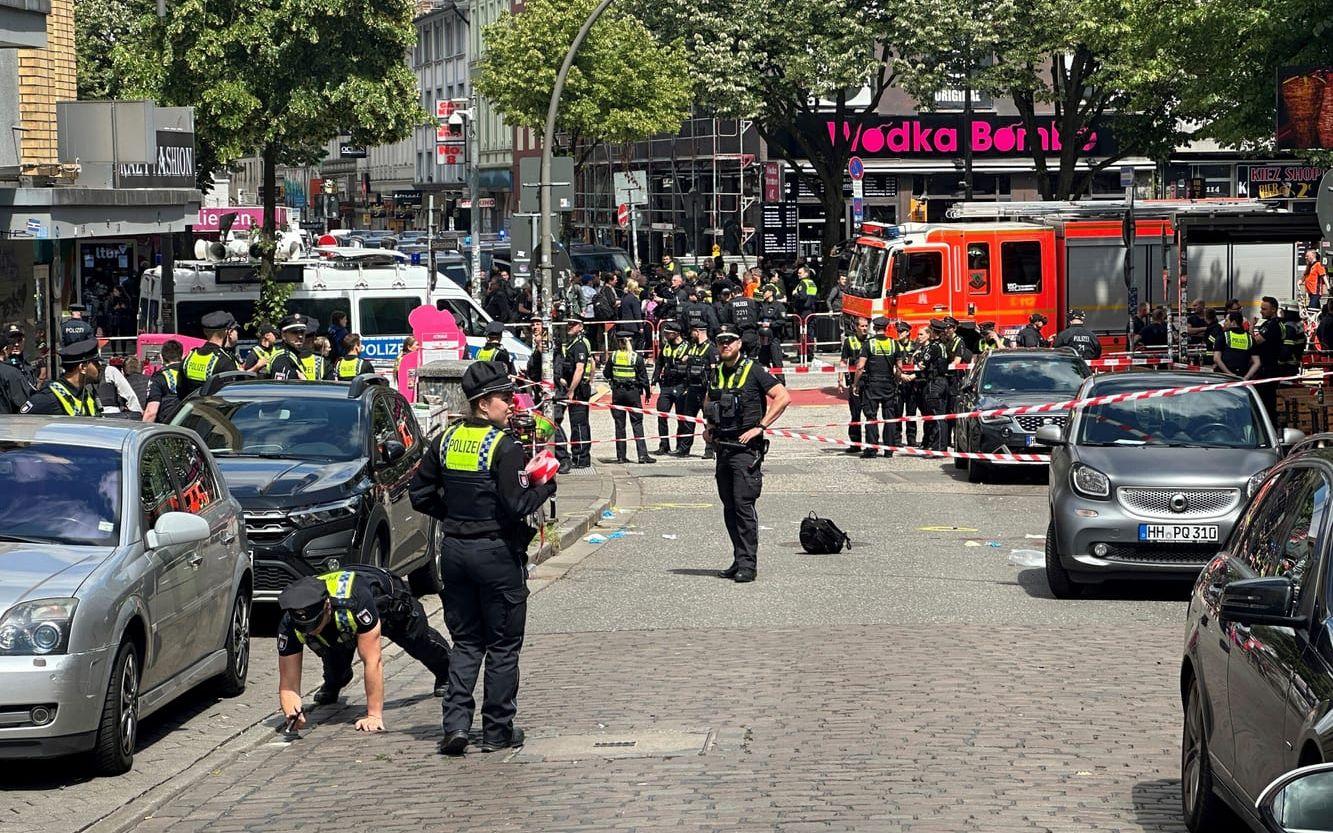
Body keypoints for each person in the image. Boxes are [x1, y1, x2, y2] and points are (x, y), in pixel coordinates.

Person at [408, 361, 557, 755]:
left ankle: (456, 726)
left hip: (454, 553)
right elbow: (516, 505)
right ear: (483, 403)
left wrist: (453, 517)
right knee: (503, 646)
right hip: (496, 554)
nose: (512, 404)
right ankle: (496, 731)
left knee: (466, 642)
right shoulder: (504, 447)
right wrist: (545, 486)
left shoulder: (445, 440)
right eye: (505, 398)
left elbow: (419, 495)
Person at [275, 565, 452, 735]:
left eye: (314, 624)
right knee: (331, 651)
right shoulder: (290, 623)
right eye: (304, 627)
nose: (310, 631)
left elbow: (372, 660)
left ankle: (447, 672)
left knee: (419, 642)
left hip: (388, 605)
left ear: (327, 607)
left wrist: (374, 716)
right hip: (340, 619)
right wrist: (292, 712)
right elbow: (288, 682)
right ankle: (335, 681)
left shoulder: (355, 600)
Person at [702, 325, 790, 583]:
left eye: (730, 340)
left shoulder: (754, 370)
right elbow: (709, 401)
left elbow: (782, 397)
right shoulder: (717, 371)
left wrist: (760, 427)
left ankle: (748, 565)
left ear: (739, 343)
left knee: (743, 507)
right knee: (729, 508)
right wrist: (709, 427)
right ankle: (738, 559)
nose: (725, 345)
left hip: (745, 451)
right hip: (723, 448)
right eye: (721, 341)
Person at [853, 317, 904, 458]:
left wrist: (855, 384)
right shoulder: (894, 344)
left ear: (874, 328)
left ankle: (872, 449)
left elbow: (860, 366)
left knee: (871, 416)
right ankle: (889, 449)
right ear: (887, 328)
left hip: (872, 384)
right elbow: (899, 367)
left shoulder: (869, 344)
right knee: (889, 417)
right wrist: (897, 380)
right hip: (888, 383)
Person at [604, 329, 656, 464]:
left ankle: (621, 456)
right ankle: (642, 456)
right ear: (631, 341)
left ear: (618, 342)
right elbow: (643, 378)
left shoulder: (613, 356)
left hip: (617, 393)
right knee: (637, 424)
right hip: (633, 393)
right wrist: (647, 393)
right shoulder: (635, 357)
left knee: (619, 426)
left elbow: (606, 373)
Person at [20, 339, 103, 416]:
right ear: (83, 368)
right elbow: (21, 422)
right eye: (96, 363)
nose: (100, 367)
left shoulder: (85, 395)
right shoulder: (47, 399)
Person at [554, 318, 593, 469]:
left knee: (579, 425)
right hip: (579, 387)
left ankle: (581, 458)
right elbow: (592, 364)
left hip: (578, 390)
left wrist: (571, 390)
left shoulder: (579, 345)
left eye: (573, 324)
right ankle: (580, 456)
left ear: (580, 326)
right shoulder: (575, 343)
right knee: (578, 424)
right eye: (568, 324)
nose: (569, 326)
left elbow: (579, 369)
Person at [679, 322, 719, 459]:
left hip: (705, 390)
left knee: (709, 420)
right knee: (688, 419)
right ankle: (684, 449)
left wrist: (710, 391)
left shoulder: (711, 348)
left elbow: (714, 372)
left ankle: (710, 449)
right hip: (692, 388)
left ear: (698, 331)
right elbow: (684, 361)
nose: (691, 335)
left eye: (692, 332)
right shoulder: (693, 347)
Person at [652, 321, 689, 456]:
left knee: (681, 417)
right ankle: (664, 445)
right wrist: (654, 381)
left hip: (681, 385)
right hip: (666, 386)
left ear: (676, 334)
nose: (665, 336)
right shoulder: (666, 346)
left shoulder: (688, 347)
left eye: (668, 334)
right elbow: (659, 364)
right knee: (661, 415)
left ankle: (680, 446)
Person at [918, 321, 952, 452]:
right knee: (941, 416)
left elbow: (923, 364)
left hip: (935, 383)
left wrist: (920, 363)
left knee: (937, 416)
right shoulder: (943, 345)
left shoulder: (934, 347)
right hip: (943, 382)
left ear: (933, 332)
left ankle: (939, 447)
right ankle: (940, 446)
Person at [1252, 296, 1285, 425]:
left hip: (1269, 368)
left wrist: (1251, 327)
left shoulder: (1273, 325)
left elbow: (1256, 341)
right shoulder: (1269, 323)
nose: (1261, 311)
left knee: (1267, 402)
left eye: (1264, 309)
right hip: (1266, 367)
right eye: (1261, 308)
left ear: (1274, 309)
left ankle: (1269, 427)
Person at [838, 316, 868, 453]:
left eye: (866, 326)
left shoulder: (871, 341)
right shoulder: (849, 341)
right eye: (862, 326)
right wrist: (840, 380)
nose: (865, 329)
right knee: (855, 414)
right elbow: (843, 361)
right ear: (856, 327)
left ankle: (871, 445)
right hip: (854, 383)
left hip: (868, 383)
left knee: (870, 415)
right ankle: (855, 444)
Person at [142, 339, 184, 423]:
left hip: (167, 424)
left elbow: (151, 412)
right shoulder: (189, 374)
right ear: (182, 356)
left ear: (161, 357)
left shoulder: (159, 377)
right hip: (189, 423)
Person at [896, 322, 923, 449]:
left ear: (907, 332)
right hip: (899, 382)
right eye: (898, 331)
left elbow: (921, 364)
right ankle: (897, 438)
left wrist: (913, 376)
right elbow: (891, 363)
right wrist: (900, 375)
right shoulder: (895, 345)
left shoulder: (915, 345)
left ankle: (911, 438)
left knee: (911, 413)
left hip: (912, 383)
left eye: (901, 331)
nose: (899, 333)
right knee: (897, 412)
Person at [1213, 311, 1259, 379]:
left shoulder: (1224, 336)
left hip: (1224, 377)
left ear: (1233, 322)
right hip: (1242, 376)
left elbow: (1216, 359)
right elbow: (1257, 363)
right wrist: (1246, 377)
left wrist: (1230, 374)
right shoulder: (1250, 338)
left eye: (1226, 321)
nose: (1224, 323)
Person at [267, 314, 314, 381]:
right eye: (294, 332)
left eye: (302, 332)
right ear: (283, 335)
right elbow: (280, 386)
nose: (300, 336)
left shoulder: (293, 355)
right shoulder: (282, 359)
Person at [756, 284, 786, 378]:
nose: (763, 294)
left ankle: (781, 382)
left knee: (776, 361)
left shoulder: (779, 306)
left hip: (774, 337)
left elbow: (782, 320)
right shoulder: (761, 305)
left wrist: (770, 324)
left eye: (765, 292)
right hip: (762, 338)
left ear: (771, 293)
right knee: (763, 362)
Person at [724, 286, 761, 359]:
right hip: (751, 333)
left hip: (737, 335)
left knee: (738, 359)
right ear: (742, 292)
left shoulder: (729, 304)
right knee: (752, 359)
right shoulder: (751, 302)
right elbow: (759, 313)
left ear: (732, 294)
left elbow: (725, 319)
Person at [1279, 304, 1308, 377]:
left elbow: (1286, 349)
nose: (1280, 313)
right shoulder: (1297, 325)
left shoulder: (1289, 327)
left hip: (1287, 366)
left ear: (1288, 312)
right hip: (1294, 364)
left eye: (1282, 311)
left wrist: (1279, 361)